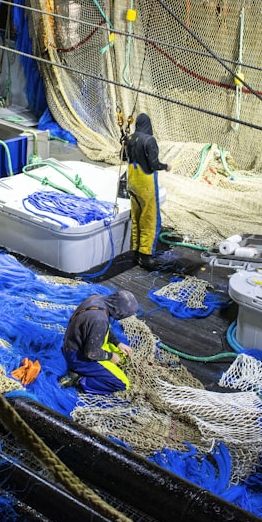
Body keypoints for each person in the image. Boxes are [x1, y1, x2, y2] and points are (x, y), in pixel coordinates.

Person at [58, 289, 139, 394]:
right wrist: (110, 356)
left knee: (122, 355)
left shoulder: (97, 299)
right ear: (119, 312)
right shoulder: (99, 320)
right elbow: (91, 354)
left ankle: (101, 368)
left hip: (76, 342)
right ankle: (80, 380)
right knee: (122, 383)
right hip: (78, 357)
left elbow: (101, 331)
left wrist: (118, 343)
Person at [125, 113, 170, 270]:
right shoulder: (149, 140)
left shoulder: (129, 139)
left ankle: (135, 252)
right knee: (150, 219)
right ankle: (146, 256)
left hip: (132, 181)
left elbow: (123, 157)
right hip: (145, 183)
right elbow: (154, 164)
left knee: (136, 218)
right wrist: (166, 166)